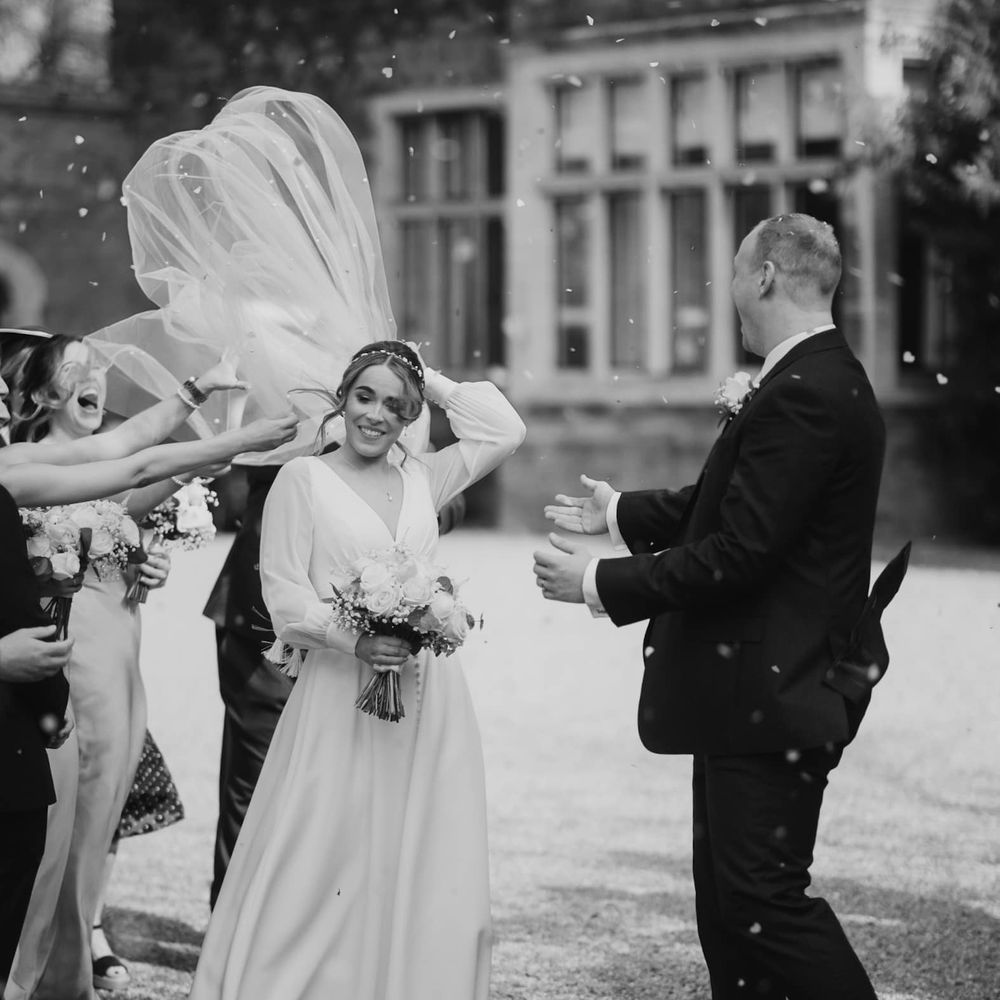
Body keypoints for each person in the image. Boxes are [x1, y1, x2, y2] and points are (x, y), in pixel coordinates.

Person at [534, 214, 898, 999]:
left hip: (776, 692)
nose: (728, 289)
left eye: (734, 270)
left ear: (764, 276)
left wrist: (600, 583)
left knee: (764, 902)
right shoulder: (813, 379)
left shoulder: (805, 394)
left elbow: (740, 552)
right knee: (732, 911)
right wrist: (621, 511)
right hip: (755, 693)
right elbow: (732, 506)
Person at [189, 340, 525, 1000]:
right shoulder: (303, 479)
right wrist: (356, 640)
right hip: (338, 688)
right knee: (325, 842)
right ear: (342, 399)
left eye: (395, 405)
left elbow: (504, 430)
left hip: (427, 694)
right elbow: (285, 597)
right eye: (364, 397)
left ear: (411, 415)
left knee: (420, 841)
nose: (376, 415)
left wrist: (430, 379)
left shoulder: (425, 477)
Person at [1, 337, 297, 1000]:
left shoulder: (31, 462)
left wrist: (206, 395)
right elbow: (135, 463)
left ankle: (62, 966)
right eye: (75, 368)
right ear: (38, 395)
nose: (95, 377)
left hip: (114, 658)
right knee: (49, 831)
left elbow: (131, 453)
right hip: (64, 661)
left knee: (89, 819)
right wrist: (231, 439)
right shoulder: (18, 468)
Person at [203, 458, 465, 908]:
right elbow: (246, 456)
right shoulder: (298, 444)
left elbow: (451, 500)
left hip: (386, 624)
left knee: (365, 796)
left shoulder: (410, 451)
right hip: (266, 617)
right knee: (260, 775)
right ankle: (239, 920)